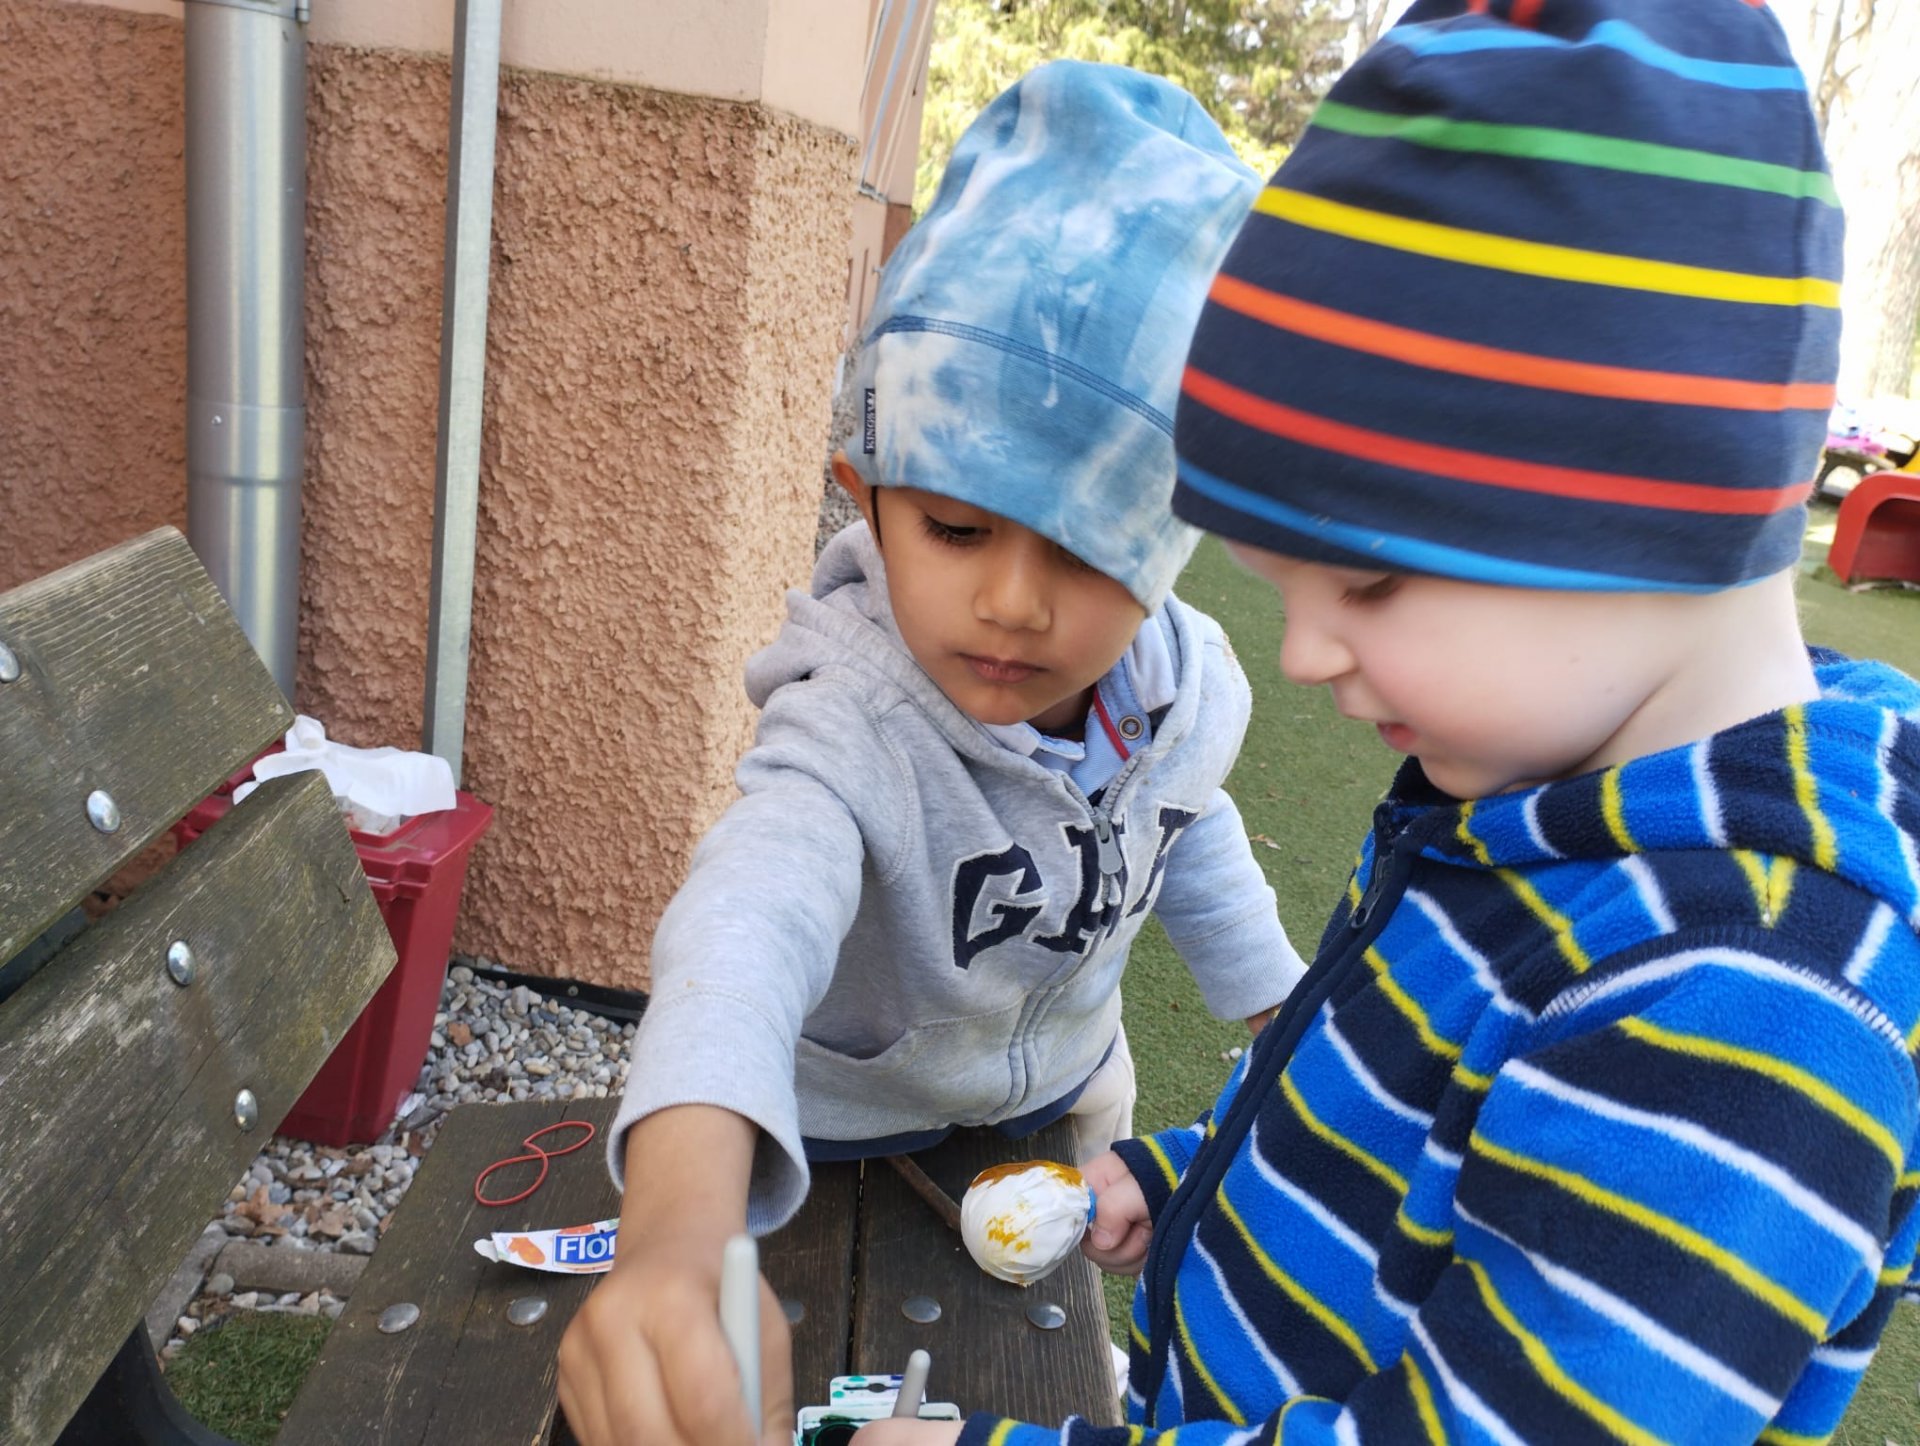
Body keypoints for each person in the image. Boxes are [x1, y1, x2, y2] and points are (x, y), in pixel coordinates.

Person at [859, 2, 1920, 1444]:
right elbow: (1399, 1127)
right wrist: (1184, 1177)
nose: (1305, 655)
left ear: (1649, 519)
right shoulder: (1544, 800)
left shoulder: (1740, 1005)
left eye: (1364, 584)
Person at [557, 61, 1310, 1446]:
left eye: (1087, 549)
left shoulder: (1188, 689)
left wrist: (1284, 1022)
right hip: (828, 1135)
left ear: (1173, 542)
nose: (1012, 603)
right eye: (954, 529)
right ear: (869, 491)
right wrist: (674, 1231)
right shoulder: (849, 711)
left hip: (1067, 1092)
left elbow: (1188, 828)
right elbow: (746, 923)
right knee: (813, 1388)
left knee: (1056, 1343)